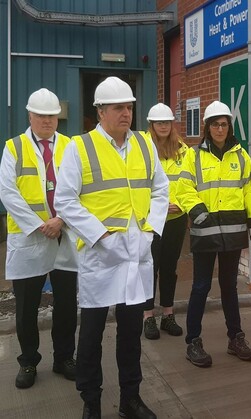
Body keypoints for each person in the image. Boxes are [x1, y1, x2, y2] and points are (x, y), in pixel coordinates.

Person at [54, 76, 168, 419]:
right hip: (101, 257)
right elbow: (65, 200)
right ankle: (91, 399)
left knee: (131, 334)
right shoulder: (80, 147)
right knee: (90, 334)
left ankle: (130, 398)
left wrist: (151, 230)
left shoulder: (145, 145)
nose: (126, 113)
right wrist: (100, 236)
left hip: (137, 253)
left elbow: (161, 190)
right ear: (100, 112)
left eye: (130, 107)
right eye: (119, 107)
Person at [175, 100, 251, 368]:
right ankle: (193, 341)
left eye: (224, 124)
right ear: (207, 127)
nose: (220, 128)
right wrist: (199, 213)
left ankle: (235, 338)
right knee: (201, 286)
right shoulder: (193, 155)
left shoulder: (241, 156)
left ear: (229, 126)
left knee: (229, 287)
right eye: (215, 124)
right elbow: (183, 188)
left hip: (233, 233)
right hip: (205, 232)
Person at [0, 88, 78, 389]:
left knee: (67, 304)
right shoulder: (14, 148)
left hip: (64, 233)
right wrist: (39, 224)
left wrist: (61, 220)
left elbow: (79, 187)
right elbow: (8, 191)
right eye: (41, 115)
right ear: (29, 115)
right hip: (31, 239)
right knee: (27, 306)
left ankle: (63, 358)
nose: (47, 120)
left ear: (58, 116)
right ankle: (29, 362)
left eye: (51, 115)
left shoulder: (70, 146)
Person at [142, 103, 188, 340]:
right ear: (151, 125)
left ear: (172, 125)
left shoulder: (183, 150)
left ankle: (168, 314)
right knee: (150, 267)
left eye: (167, 122)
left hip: (177, 217)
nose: (163, 126)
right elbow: (138, 186)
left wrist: (180, 203)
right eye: (159, 123)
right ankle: (148, 316)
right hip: (151, 219)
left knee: (170, 268)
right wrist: (157, 206)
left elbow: (189, 181)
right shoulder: (141, 149)